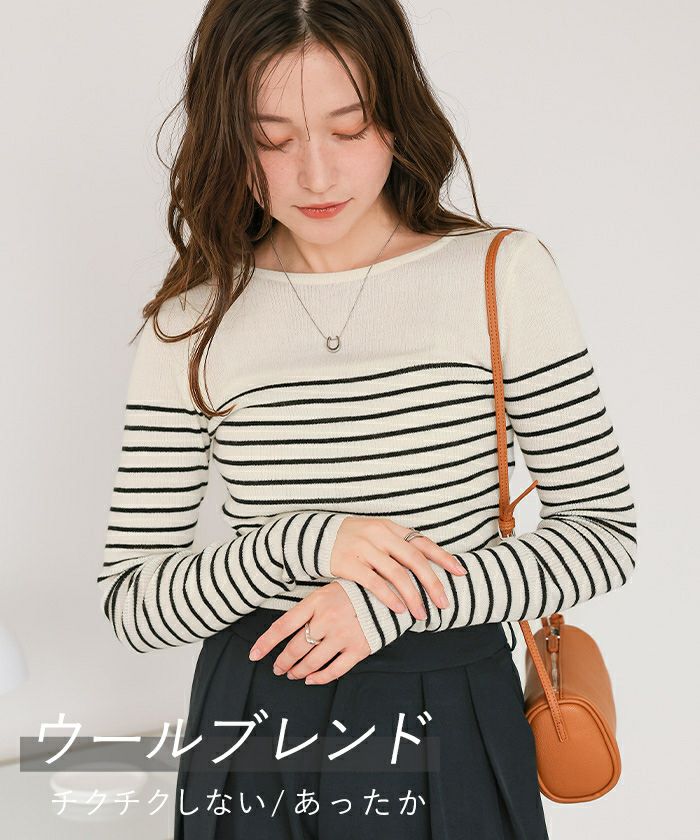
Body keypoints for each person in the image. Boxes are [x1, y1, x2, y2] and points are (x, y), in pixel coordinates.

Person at [97, 1, 638, 838]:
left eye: (349, 130)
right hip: (257, 718)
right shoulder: (191, 322)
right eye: (272, 139)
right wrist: (301, 543)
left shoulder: (501, 276)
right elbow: (132, 602)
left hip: (449, 706)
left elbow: (602, 536)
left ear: (398, 117)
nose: (317, 176)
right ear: (226, 139)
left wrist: (391, 606)